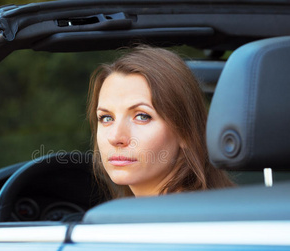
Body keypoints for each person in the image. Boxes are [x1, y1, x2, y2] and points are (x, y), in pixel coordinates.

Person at [87, 45, 233, 199]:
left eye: (142, 116)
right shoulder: (126, 217)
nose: (115, 137)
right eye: (106, 118)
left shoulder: (192, 220)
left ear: (185, 132)